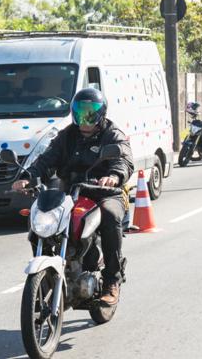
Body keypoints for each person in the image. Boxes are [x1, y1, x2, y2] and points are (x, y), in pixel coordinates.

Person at [12, 88, 133, 306]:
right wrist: (28, 177)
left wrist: (114, 176)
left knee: (110, 215)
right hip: (70, 192)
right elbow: (46, 160)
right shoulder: (66, 136)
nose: (84, 117)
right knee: (41, 217)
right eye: (79, 111)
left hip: (104, 192)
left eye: (90, 111)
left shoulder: (112, 134)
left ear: (100, 113)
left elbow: (123, 160)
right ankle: (49, 274)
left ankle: (111, 281)